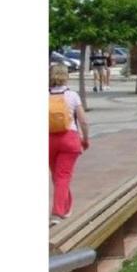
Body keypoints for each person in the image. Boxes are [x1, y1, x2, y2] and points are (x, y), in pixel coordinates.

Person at [49, 64, 90, 226]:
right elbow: (84, 121)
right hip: (69, 138)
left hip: (49, 139)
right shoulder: (72, 95)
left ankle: (65, 207)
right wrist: (85, 139)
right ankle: (58, 212)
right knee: (63, 176)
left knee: (57, 176)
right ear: (66, 76)